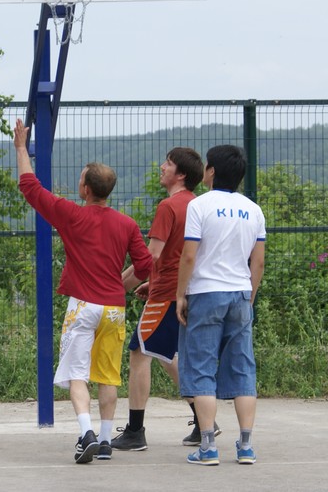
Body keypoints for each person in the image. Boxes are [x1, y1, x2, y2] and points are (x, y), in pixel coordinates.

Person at [12, 119, 154, 464]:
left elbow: (30, 187)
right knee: (108, 375)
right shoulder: (127, 224)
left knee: (77, 373)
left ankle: (85, 433)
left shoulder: (72, 216)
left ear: (86, 189)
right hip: (114, 309)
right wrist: (139, 284)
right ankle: (106, 441)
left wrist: (20, 148)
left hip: (83, 307)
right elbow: (147, 265)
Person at [112, 147, 220, 451]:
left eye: (168, 164)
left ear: (181, 174)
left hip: (166, 295)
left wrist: (117, 284)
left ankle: (135, 431)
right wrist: (153, 280)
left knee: (138, 352)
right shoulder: (199, 205)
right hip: (189, 290)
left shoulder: (168, 206)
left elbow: (151, 256)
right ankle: (203, 421)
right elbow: (184, 254)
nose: (161, 167)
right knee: (164, 353)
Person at [175, 144, 265, 466]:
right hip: (240, 293)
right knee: (243, 369)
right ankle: (246, 447)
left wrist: (180, 294)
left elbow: (189, 255)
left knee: (201, 369)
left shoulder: (200, 206)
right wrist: (249, 297)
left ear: (210, 171)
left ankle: (209, 447)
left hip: (205, 293)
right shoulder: (253, 210)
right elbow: (258, 261)